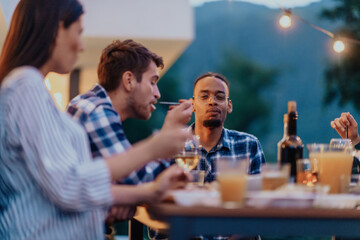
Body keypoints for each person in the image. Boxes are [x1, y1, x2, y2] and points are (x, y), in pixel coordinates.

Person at [0, 0, 193, 239]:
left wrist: (150, 192)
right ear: (57, 29)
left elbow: (70, 184)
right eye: (79, 32)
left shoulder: (32, 89)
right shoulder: (25, 86)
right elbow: (70, 186)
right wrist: (154, 148)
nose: (81, 46)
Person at [191, 72, 265, 182]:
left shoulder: (249, 145)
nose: (212, 102)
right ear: (192, 105)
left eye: (220, 97)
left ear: (229, 106)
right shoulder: (173, 145)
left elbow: (261, 193)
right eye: (204, 97)